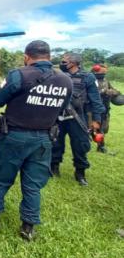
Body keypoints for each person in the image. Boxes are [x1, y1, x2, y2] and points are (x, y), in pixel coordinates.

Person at [0, 40, 72, 241]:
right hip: (44, 139)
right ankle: (28, 227)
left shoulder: (19, 74)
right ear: (49, 56)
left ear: (27, 56)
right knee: (33, 184)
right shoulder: (65, 80)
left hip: (15, 137)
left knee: (1, 177)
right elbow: (64, 108)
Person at [51, 53, 105, 185]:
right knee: (55, 142)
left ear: (73, 63)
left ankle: (80, 172)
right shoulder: (57, 75)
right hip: (58, 114)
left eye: (64, 61)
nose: (61, 63)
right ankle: (54, 167)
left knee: (80, 144)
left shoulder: (88, 77)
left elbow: (95, 100)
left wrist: (96, 120)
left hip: (77, 116)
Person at [90, 64, 121, 153]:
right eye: (102, 71)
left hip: (105, 108)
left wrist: (113, 92)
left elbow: (116, 91)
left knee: (104, 128)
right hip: (94, 109)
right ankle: (101, 147)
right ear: (96, 70)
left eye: (104, 72)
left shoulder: (106, 81)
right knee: (95, 128)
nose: (103, 73)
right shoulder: (91, 80)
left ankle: (100, 145)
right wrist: (104, 91)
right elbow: (93, 93)